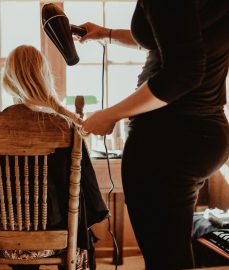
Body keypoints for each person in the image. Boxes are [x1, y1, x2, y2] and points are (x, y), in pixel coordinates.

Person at [77, 1, 229, 269]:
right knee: (173, 252)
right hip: (206, 133)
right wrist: (107, 33)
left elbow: (183, 73)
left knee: (166, 259)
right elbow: (174, 39)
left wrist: (110, 114)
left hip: (166, 141)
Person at [0, 45, 109, 270]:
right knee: (82, 233)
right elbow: (91, 199)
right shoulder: (66, 127)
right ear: (45, 77)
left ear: (8, 80)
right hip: (57, 241)